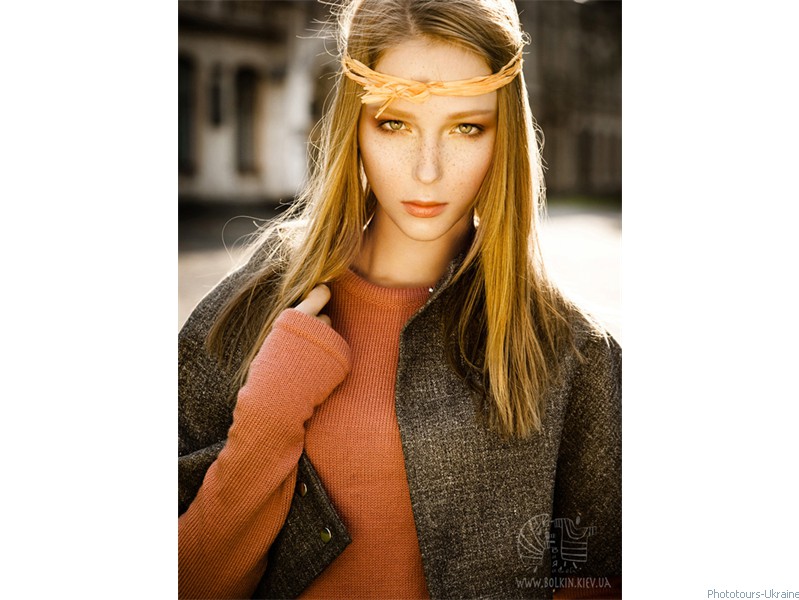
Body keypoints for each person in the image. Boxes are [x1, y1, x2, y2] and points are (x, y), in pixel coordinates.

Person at [178, 0, 621, 598]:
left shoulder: (575, 353)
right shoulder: (254, 305)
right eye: (395, 123)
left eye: (467, 128)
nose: (427, 171)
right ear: (354, 125)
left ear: (506, 135)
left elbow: (601, 576)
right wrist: (269, 417)